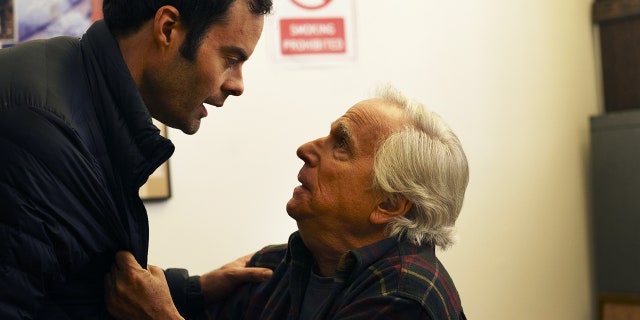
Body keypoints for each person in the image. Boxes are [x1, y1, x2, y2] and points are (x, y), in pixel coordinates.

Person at [0, 0, 273, 318]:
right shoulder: (43, 139)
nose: (237, 85)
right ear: (167, 29)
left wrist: (187, 292)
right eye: (230, 59)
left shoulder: (75, 83)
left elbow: (70, 284)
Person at [105, 85, 470, 320]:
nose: (306, 149)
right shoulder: (280, 264)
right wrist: (194, 291)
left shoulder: (404, 299)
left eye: (341, 144)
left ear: (390, 204)